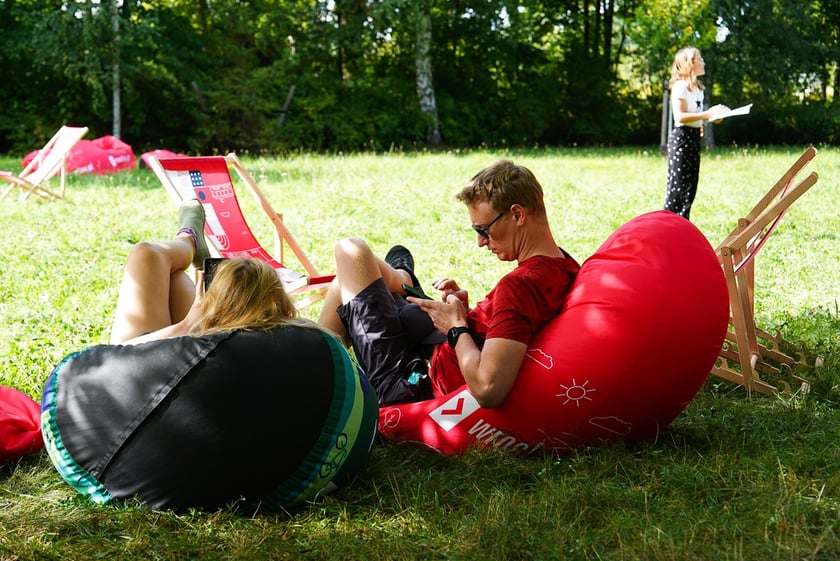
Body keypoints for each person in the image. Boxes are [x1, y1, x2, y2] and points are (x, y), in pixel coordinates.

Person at [317, 160, 580, 408]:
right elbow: (506, 328)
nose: (481, 242)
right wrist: (466, 316)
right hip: (428, 356)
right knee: (353, 272)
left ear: (518, 215)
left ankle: (314, 376)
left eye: (482, 230)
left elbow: (489, 389)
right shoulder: (564, 265)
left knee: (350, 254)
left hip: (410, 387)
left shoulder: (520, 286)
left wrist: (456, 326)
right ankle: (400, 281)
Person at [110, 199, 307, 345]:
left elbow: (117, 355)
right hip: (233, 352)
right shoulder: (323, 344)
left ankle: (189, 240)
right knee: (171, 277)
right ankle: (188, 241)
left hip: (162, 384)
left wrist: (187, 326)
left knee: (148, 255)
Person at [664, 46, 729, 220]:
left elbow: (699, 117)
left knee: (689, 190)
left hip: (693, 139)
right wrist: (706, 114)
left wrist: (715, 117)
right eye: (699, 59)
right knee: (676, 190)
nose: (703, 62)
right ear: (689, 64)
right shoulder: (680, 86)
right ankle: (666, 228)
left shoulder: (698, 88)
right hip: (681, 139)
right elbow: (681, 116)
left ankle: (682, 228)